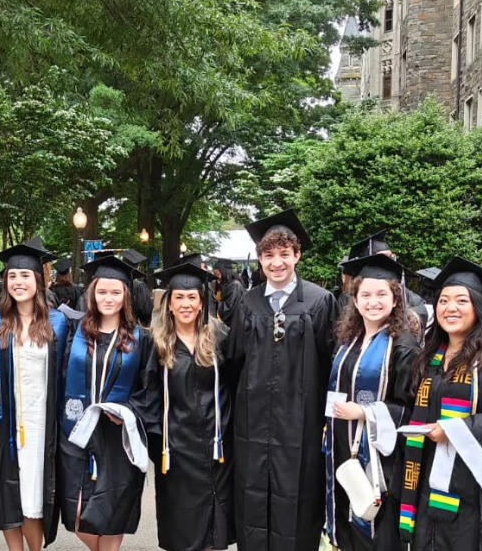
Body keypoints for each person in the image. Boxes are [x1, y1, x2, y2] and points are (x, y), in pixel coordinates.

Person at [227, 209, 339, 551]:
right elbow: (234, 362)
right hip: (253, 423)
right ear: (260, 259)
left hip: (300, 424)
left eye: (284, 255)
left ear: (297, 255)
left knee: (298, 496)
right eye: (269, 255)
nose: (277, 263)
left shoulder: (320, 302)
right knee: (253, 497)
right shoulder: (247, 302)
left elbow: (330, 364)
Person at [399, 257, 482, 551]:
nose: (450, 308)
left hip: (475, 495)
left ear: (478, 307)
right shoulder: (430, 357)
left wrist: (456, 431)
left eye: (461, 300)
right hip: (428, 485)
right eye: (443, 300)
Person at [0, 239, 68, 551]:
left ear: (38, 280)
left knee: (32, 500)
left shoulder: (59, 323)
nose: (18, 282)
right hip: (2, 423)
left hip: (40, 426)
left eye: (25, 276)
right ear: (5, 281)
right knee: (7, 496)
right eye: (12, 276)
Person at [324, 254, 421, 551]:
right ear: (355, 299)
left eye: (382, 294)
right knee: (348, 516)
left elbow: (412, 405)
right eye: (365, 294)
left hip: (380, 458)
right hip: (342, 445)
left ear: (396, 299)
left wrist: (365, 412)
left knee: (375, 524)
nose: (373, 302)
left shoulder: (404, 343)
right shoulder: (349, 338)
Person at [59, 255, 152, 551]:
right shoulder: (74, 331)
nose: (108, 298)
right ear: (92, 293)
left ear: (125, 295)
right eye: (102, 291)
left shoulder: (141, 339)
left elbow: (148, 388)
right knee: (75, 512)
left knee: (115, 510)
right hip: (76, 432)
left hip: (118, 436)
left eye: (115, 292)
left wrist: (129, 413)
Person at [142, 262, 234, 551]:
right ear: (168, 304)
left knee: (213, 532)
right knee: (182, 530)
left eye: (191, 297)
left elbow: (235, 385)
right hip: (176, 453)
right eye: (179, 298)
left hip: (217, 448)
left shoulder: (220, 337)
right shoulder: (155, 343)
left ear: (201, 302)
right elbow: (146, 395)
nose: (185, 304)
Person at [121, 250, 154, 327]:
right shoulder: (139, 286)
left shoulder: (116, 283)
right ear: (137, 266)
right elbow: (146, 311)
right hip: (134, 326)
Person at [212, 258, 245, 327]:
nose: (215, 276)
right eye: (214, 273)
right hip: (224, 324)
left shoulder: (235, 285)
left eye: (217, 273)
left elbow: (228, 308)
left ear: (224, 271)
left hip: (233, 324)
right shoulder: (220, 284)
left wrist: (212, 303)